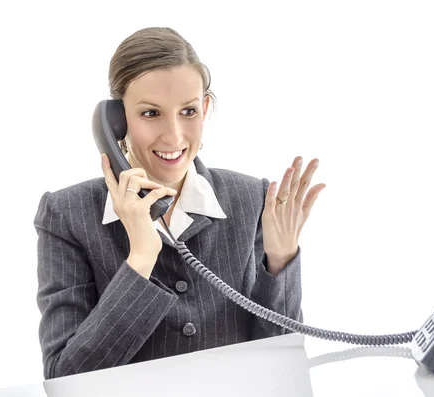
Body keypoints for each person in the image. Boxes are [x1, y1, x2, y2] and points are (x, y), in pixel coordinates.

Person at [34, 26, 326, 380]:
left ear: (204, 109)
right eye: (151, 113)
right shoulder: (67, 216)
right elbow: (65, 378)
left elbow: (284, 369)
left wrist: (280, 261)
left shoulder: (252, 201)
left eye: (188, 112)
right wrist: (140, 257)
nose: (173, 136)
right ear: (116, 121)